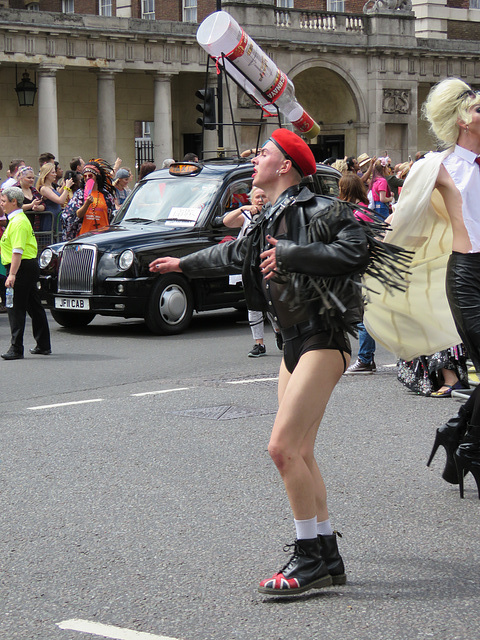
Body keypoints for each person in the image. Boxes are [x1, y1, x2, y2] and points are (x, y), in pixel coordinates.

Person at [149, 128, 408, 595]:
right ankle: (327, 554)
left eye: (263, 153)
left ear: (285, 164)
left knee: (281, 449)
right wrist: (182, 264)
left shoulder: (324, 209)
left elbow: (356, 250)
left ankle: (308, 555)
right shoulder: (267, 217)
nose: (255, 159)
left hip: (324, 336)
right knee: (301, 452)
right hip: (291, 340)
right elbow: (234, 252)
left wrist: (292, 253)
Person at [363, 78, 480, 497]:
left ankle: (458, 432)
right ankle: (468, 446)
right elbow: (401, 221)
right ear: (463, 119)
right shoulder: (436, 165)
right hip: (466, 276)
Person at [0, 186, 51, 360]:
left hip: (21, 267)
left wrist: (12, 274)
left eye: (3, 201)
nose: (1, 204)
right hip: (26, 267)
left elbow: (17, 251)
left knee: (15, 308)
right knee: (34, 306)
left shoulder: (18, 222)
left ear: (14, 202)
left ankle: (16, 348)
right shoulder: (16, 219)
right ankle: (43, 345)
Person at [223, 186, 269, 357]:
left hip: (268, 264)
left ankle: (279, 332)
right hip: (250, 265)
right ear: (251, 200)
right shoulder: (246, 216)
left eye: (264, 196)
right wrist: (242, 208)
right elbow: (227, 222)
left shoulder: (274, 213)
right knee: (253, 304)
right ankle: (259, 344)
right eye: (257, 196)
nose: (260, 200)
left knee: (271, 303)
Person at [338, 173, 377, 374]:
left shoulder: (356, 214)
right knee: (362, 314)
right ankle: (366, 357)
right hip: (362, 268)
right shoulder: (361, 209)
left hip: (358, 269)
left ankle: (365, 358)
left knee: (362, 315)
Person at [62, 159, 116, 239]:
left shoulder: (106, 196)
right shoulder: (79, 194)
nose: (87, 178)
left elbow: (111, 217)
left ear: (97, 177)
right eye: (85, 176)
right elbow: (77, 215)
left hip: (103, 237)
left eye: (90, 176)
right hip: (84, 236)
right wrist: (87, 203)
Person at [37, 162, 74, 233]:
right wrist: (67, 187)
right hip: (50, 220)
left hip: (56, 218)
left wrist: (64, 186)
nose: (55, 175)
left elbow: (58, 195)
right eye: (53, 173)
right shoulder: (44, 188)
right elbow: (60, 201)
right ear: (47, 174)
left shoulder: (51, 187)